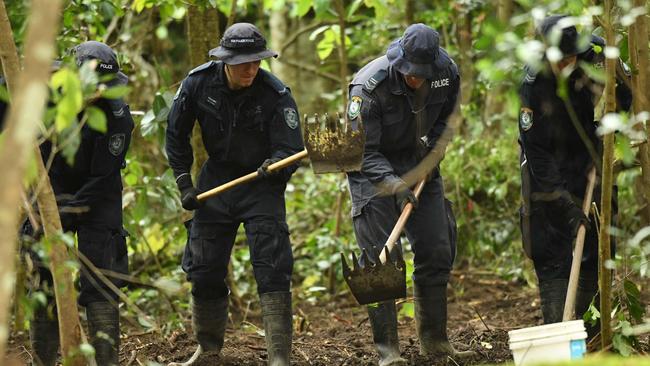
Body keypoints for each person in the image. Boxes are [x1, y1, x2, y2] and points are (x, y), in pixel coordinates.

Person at [165, 23, 303, 365]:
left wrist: (276, 164)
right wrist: (185, 183)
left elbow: (291, 148)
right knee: (203, 266)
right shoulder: (197, 84)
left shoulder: (275, 94)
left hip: (262, 184)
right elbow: (175, 135)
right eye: (244, 63)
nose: (251, 69)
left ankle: (279, 357)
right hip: (217, 180)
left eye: (257, 62)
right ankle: (209, 349)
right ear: (225, 60)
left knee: (273, 266)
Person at [345, 24, 473, 365]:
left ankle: (435, 341)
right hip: (371, 170)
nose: (416, 80)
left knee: (437, 247)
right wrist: (395, 186)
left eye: (422, 75)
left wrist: (435, 153)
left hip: (419, 163)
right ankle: (389, 352)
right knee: (380, 260)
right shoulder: (368, 88)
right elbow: (362, 152)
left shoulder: (447, 74)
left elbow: (448, 122)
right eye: (410, 74)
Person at [21, 41, 133, 366]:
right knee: (42, 273)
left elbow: (104, 177)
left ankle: (106, 361)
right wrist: (46, 209)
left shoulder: (117, 116)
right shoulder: (44, 96)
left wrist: (68, 213)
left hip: (100, 195)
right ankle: (43, 360)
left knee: (101, 275)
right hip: (49, 190)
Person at [518, 15, 632, 335]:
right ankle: (558, 327)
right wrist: (564, 205)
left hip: (586, 153)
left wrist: (614, 114)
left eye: (571, 57)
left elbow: (626, 90)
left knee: (597, 235)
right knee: (547, 237)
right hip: (545, 161)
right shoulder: (532, 83)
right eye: (561, 59)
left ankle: (592, 330)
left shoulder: (595, 52)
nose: (567, 64)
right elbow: (536, 152)